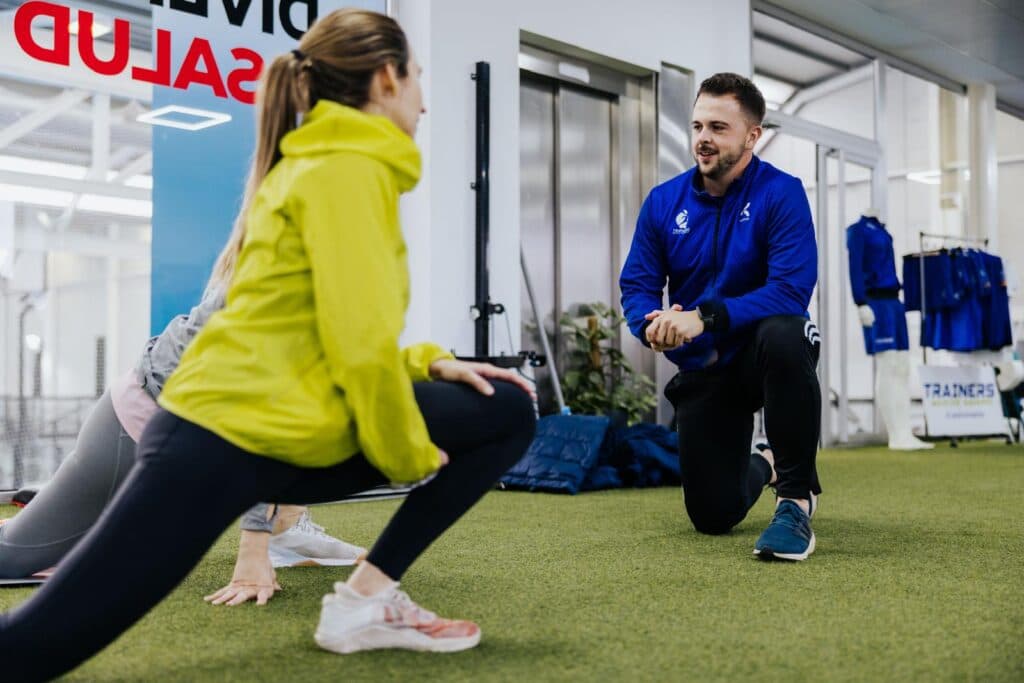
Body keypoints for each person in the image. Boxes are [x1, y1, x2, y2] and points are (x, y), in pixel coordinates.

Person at [0, 9, 536, 680]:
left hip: (265, 437)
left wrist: (423, 362)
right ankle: (363, 602)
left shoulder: (336, 165)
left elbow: (325, 330)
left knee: (503, 409)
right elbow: (357, 346)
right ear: (386, 79)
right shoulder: (346, 169)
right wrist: (412, 458)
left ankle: (365, 602)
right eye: (418, 78)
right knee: (30, 648)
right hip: (213, 441)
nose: (424, 102)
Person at [0, 283, 367, 598]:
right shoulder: (279, 282)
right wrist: (252, 548)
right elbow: (259, 421)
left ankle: (287, 528)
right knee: (12, 559)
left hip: (186, 444)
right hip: (136, 432)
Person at [619, 73, 822, 561]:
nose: (703, 139)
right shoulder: (663, 202)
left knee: (788, 333)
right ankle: (767, 462)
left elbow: (790, 290)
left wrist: (703, 317)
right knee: (712, 515)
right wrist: (652, 324)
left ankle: (795, 500)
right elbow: (638, 286)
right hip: (706, 367)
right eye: (697, 126)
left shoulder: (782, 193)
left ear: (752, 136)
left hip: (763, 354)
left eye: (718, 127)